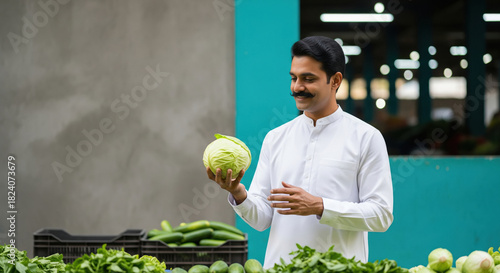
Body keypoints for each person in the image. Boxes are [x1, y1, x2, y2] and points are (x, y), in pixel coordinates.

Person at [206, 36, 394, 269]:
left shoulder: (366, 137)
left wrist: (320, 206)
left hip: (342, 268)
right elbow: (263, 218)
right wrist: (238, 193)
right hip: (281, 268)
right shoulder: (276, 138)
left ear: (335, 80)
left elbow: (381, 215)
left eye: (308, 79)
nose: (297, 87)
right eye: (294, 78)